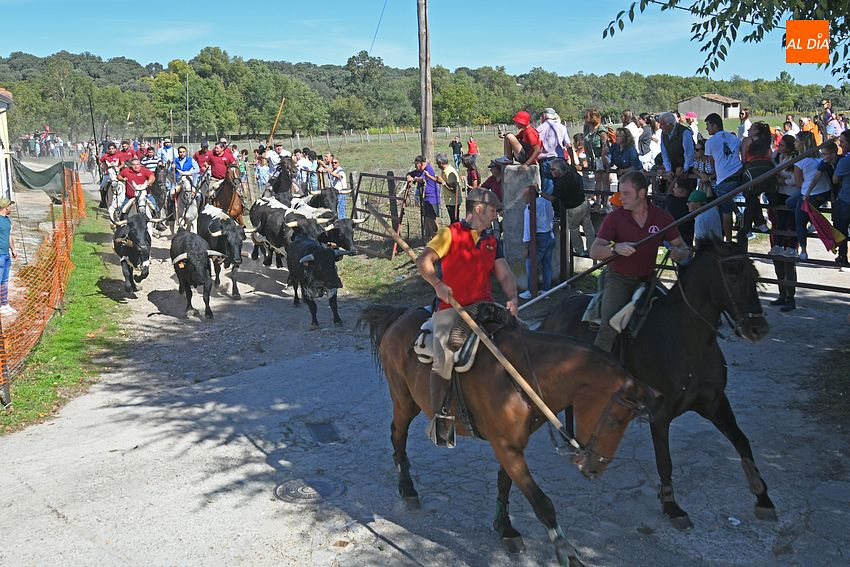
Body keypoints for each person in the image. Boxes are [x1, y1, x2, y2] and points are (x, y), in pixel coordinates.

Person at [415, 188, 518, 447]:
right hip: (452, 308)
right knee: (445, 356)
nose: (496, 214)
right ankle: (441, 416)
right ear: (479, 209)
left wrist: (513, 297)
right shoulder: (448, 234)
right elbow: (423, 260)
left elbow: (504, 274)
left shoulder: (493, 240)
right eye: (493, 209)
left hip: (484, 306)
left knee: (519, 336)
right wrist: (437, 284)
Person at [589, 171, 690, 352]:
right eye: (620, 193)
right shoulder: (614, 218)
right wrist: (615, 248)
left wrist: (679, 253)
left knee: (674, 315)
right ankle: (597, 370)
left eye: (626, 193)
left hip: (648, 280)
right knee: (609, 327)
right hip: (618, 279)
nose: (621, 198)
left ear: (641, 193)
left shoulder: (662, 217)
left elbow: (684, 247)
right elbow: (594, 251)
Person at [787, 137, 837, 261]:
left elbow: (798, 183)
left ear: (802, 144)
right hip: (824, 191)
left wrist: (785, 180)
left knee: (799, 219)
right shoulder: (820, 158)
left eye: (797, 141)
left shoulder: (800, 161)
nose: (795, 143)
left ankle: (803, 250)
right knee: (790, 202)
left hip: (810, 192)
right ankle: (811, 217)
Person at [703, 112, 742, 241]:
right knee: (730, 202)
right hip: (738, 173)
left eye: (708, 125)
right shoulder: (734, 139)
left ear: (714, 125)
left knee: (726, 211)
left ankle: (729, 240)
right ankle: (740, 218)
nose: (707, 128)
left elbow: (711, 162)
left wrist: (714, 173)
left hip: (723, 178)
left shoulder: (710, 142)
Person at [659, 111, 697, 244]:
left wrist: (685, 168)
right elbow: (664, 152)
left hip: (686, 172)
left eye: (662, 124)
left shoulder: (684, 132)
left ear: (670, 123)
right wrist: (669, 169)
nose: (660, 126)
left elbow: (689, 153)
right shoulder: (664, 135)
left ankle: (687, 240)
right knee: (674, 202)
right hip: (675, 171)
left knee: (686, 204)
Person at [547, 157, 594, 257]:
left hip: (574, 209)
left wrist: (539, 192)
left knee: (573, 229)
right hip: (584, 203)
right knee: (588, 228)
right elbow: (574, 166)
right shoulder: (571, 170)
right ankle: (592, 250)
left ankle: (580, 251)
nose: (550, 171)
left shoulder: (561, 183)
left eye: (552, 169)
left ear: (559, 170)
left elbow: (552, 198)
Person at [519, 186, 555, 299]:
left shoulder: (529, 208)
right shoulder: (546, 202)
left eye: (524, 195)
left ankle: (531, 290)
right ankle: (546, 290)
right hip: (549, 233)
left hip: (539, 236)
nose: (523, 197)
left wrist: (526, 246)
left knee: (531, 264)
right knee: (547, 264)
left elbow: (528, 228)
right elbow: (552, 215)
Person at [536, 107, 571, 195]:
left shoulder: (539, 129)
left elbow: (537, 146)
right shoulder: (562, 127)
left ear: (544, 116)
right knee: (561, 186)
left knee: (548, 186)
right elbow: (568, 144)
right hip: (560, 159)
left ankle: (548, 207)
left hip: (546, 160)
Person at [406, 155, 441, 240]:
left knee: (432, 219)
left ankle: (438, 239)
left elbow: (422, 179)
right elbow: (411, 173)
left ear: (422, 164)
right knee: (428, 218)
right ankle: (432, 239)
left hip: (432, 198)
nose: (415, 166)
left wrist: (413, 179)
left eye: (416, 164)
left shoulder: (428, 169)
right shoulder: (420, 170)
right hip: (426, 198)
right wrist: (408, 175)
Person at [584, 108, 611, 208]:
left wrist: (604, 158)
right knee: (597, 180)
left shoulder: (601, 129)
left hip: (602, 158)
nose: (585, 119)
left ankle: (606, 202)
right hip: (593, 159)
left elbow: (605, 145)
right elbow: (586, 143)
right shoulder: (587, 129)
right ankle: (598, 202)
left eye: (586, 117)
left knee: (605, 180)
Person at [831, 130, 850, 267]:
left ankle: (842, 255)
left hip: (845, 199)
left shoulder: (845, 161)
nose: (840, 144)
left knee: (841, 229)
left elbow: (835, 179)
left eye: (842, 142)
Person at [0, 197, 18, 317]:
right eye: (10, 206)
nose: (11, 208)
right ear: (6, 207)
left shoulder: (7, 220)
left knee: (5, 280)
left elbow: (9, 236)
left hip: (6, 254)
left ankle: (4, 304)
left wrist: (13, 249)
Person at [435, 153, 461, 224]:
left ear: (441, 162)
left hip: (452, 201)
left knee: (454, 222)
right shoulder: (446, 170)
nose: (437, 165)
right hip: (450, 200)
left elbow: (454, 190)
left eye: (437, 163)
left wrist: (443, 182)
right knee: (454, 221)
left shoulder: (449, 172)